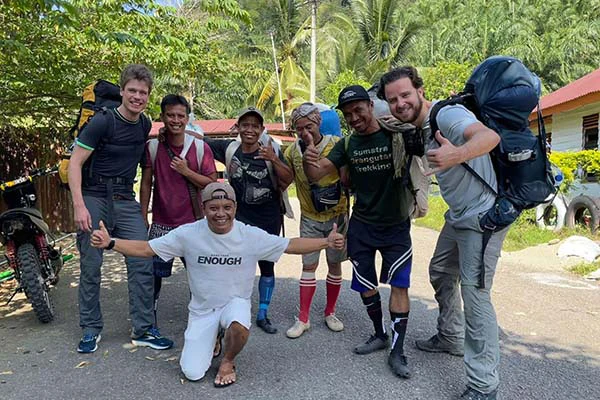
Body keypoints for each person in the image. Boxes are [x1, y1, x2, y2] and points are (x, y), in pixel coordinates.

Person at [89, 182, 345, 387]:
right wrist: (111, 243)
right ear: (204, 208)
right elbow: (146, 249)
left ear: (234, 207)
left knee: (239, 325)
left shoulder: (249, 235)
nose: (220, 213)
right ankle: (214, 336)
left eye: (226, 206)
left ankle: (228, 360)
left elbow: (289, 245)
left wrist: (326, 242)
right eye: (214, 207)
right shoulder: (188, 234)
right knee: (192, 373)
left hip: (235, 303)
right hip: (202, 310)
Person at [379, 66, 507, 400]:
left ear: (421, 91)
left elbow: (488, 137)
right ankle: (450, 336)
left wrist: (458, 153)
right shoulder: (419, 126)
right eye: (393, 100)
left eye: (405, 95)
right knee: (439, 271)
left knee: (476, 295)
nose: (399, 103)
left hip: (482, 216)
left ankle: (484, 386)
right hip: (458, 216)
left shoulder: (448, 114)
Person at [303, 85, 414, 378]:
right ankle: (379, 334)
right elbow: (316, 174)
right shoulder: (348, 145)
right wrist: (308, 154)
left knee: (400, 285)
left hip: (396, 226)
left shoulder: (396, 134)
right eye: (348, 114)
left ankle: (397, 349)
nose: (354, 118)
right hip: (362, 225)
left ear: (370, 105)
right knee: (366, 284)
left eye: (358, 110)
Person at [68, 64, 173, 353]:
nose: (137, 97)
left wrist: (143, 209)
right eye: (132, 91)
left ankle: (143, 329)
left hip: (124, 198)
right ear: (122, 91)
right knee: (91, 265)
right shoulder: (103, 122)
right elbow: (75, 163)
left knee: (142, 260)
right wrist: (79, 205)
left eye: (143, 92)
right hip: (94, 196)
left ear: (148, 96)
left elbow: (144, 166)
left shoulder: (143, 124)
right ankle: (90, 328)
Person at [204, 107, 294, 334]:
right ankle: (228, 312)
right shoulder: (230, 148)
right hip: (239, 218)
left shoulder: (270, 148)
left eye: (255, 126)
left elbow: (288, 178)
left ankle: (263, 314)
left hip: (268, 216)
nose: (250, 130)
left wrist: (274, 159)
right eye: (245, 125)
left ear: (262, 129)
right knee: (232, 265)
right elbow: (200, 140)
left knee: (266, 266)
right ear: (238, 127)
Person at [140, 94, 217, 327]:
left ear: (187, 118)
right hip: (161, 223)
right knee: (153, 275)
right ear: (162, 116)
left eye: (180, 116)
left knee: (199, 274)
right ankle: (148, 319)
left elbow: (211, 183)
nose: (175, 120)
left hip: (193, 222)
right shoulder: (153, 147)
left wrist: (186, 171)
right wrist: (143, 215)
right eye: (170, 115)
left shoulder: (200, 148)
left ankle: (201, 318)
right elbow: (146, 182)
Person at [283, 102, 348, 338]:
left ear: (318, 122)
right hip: (309, 216)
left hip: (337, 214)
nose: (304, 133)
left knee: (334, 263)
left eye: (309, 126)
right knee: (308, 265)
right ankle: (303, 318)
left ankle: (330, 312)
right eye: (299, 128)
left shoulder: (336, 145)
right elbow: (285, 179)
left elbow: (346, 179)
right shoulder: (292, 152)